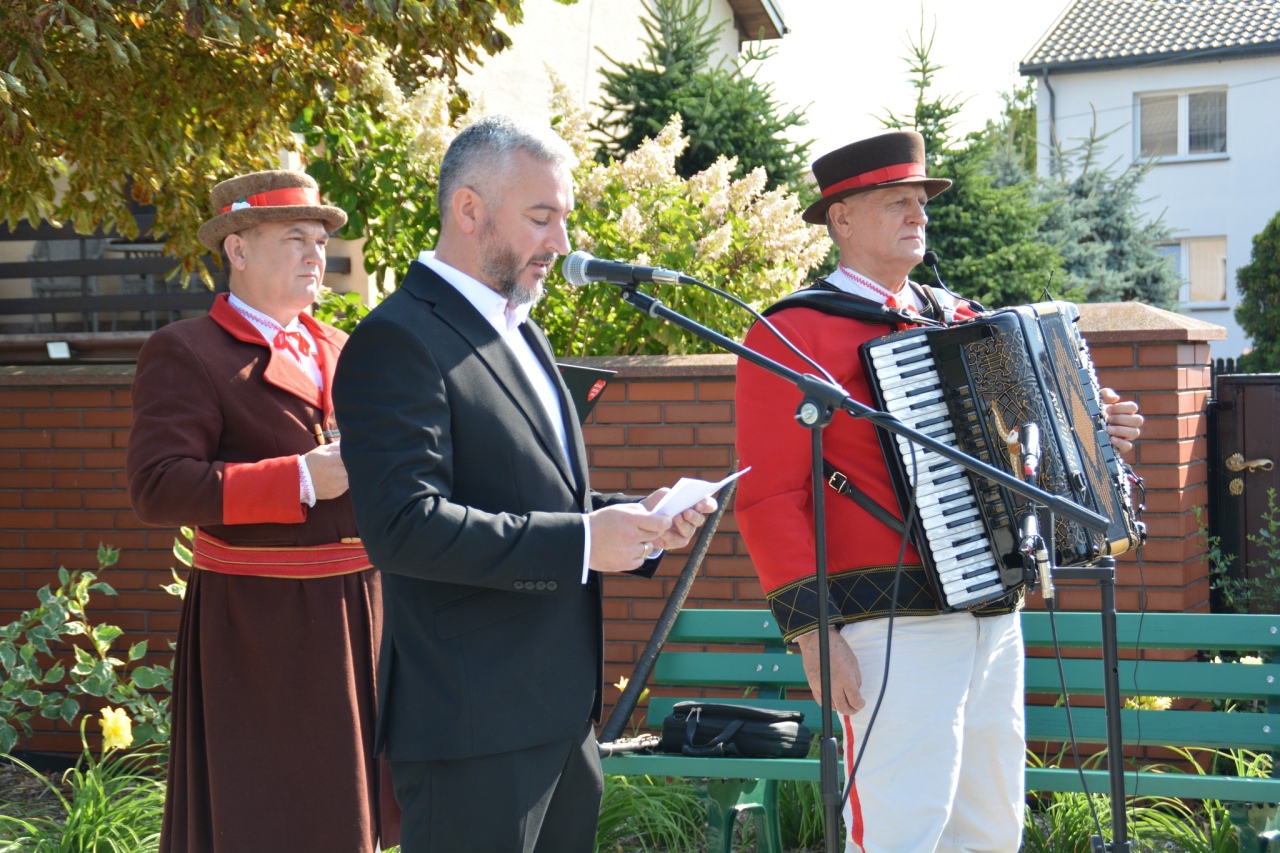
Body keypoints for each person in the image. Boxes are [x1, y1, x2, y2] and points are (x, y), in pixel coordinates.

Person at [734, 130, 1144, 853]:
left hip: (993, 609)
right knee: (900, 828)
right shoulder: (790, 332)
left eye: (920, 200)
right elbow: (770, 496)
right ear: (842, 219)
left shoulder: (960, 318)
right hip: (889, 619)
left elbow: (1024, 451)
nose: (917, 214)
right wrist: (813, 630)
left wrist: (1093, 435)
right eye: (897, 201)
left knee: (991, 825)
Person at [332, 114, 717, 853]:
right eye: (542, 218)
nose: (562, 244)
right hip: (471, 729)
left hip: (562, 721)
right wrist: (582, 542)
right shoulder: (397, 339)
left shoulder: (525, 330)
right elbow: (404, 524)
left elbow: (539, 501)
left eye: (564, 219)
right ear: (468, 209)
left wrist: (634, 519)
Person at [126, 170, 398, 853]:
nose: (316, 254)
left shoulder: (343, 347)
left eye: (321, 240)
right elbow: (157, 486)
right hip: (257, 624)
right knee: (269, 820)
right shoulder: (185, 350)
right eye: (295, 238)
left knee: (352, 822)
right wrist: (299, 480)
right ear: (237, 250)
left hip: (360, 610)